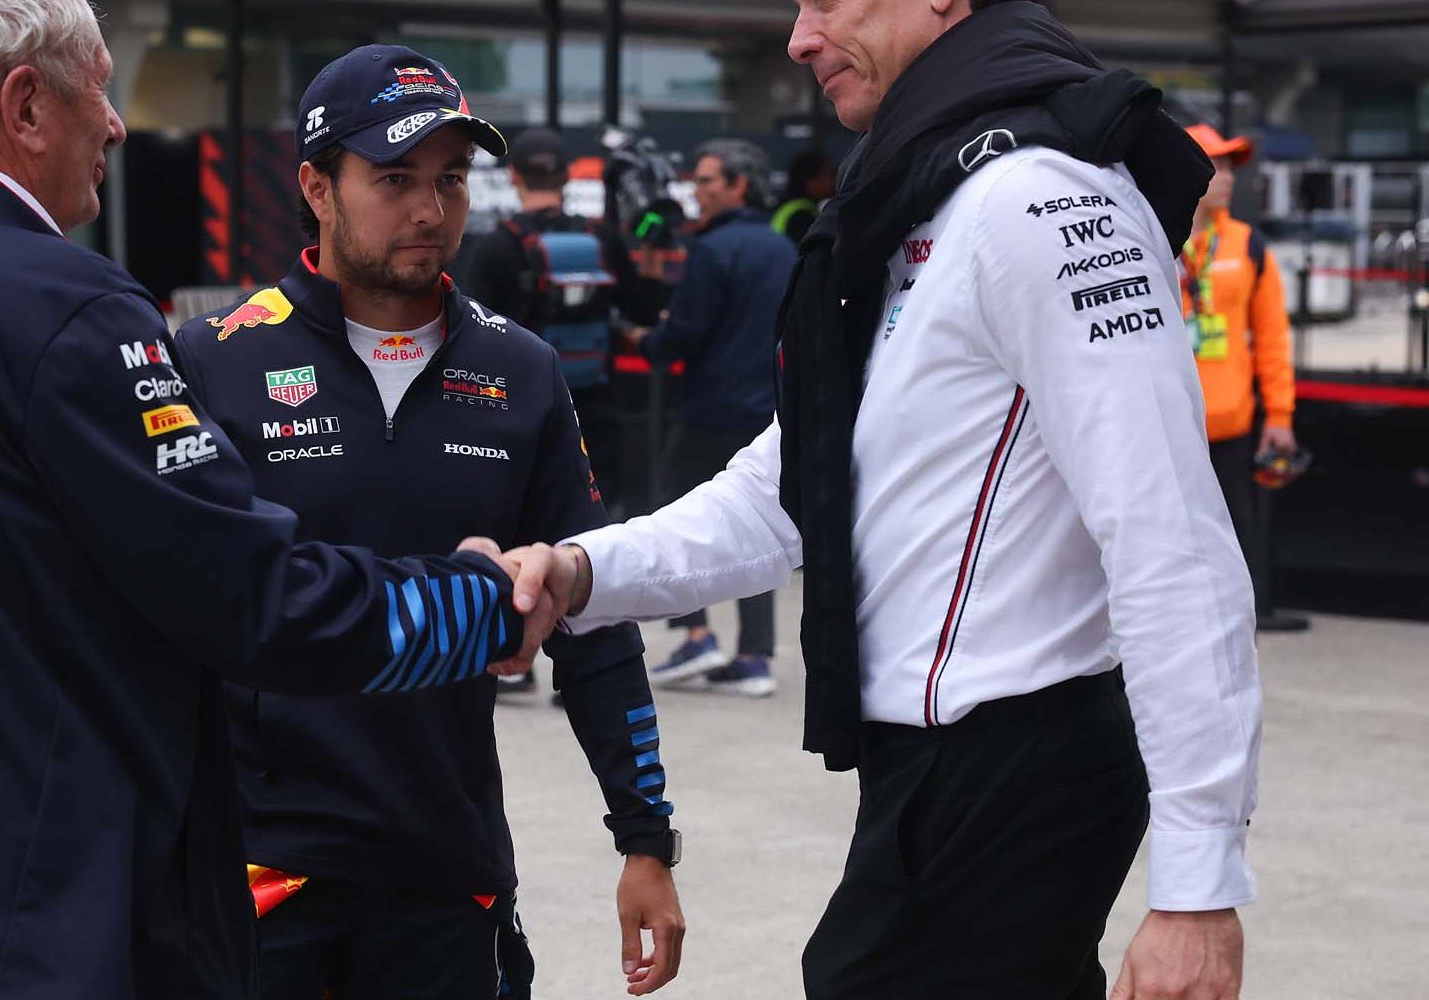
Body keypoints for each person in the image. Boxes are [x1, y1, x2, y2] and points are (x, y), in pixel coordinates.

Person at [0, 4, 557, 998]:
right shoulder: (70, 310)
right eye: (97, 87)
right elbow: (256, 599)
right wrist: (482, 602)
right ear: (27, 106)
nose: (116, 123)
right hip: (33, 933)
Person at [500, 2, 1262, 998]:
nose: (799, 39)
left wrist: (1198, 889)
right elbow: (786, 493)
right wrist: (582, 569)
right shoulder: (920, 201)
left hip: (1019, 763)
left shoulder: (1040, 197)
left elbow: (1172, 539)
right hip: (930, 773)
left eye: (827, 0)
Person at [173, 47, 683, 1000]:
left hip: (446, 870)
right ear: (317, 188)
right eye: (396, 178)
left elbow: (592, 613)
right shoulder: (212, 362)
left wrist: (645, 838)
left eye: (449, 179)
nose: (430, 209)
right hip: (261, 874)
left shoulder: (522, 370)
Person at [621, 139, 794, 697]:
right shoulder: (781, 248)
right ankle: (753, 656)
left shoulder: (713, 249)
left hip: (708, 408)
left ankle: (696, 636)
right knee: (759, 528)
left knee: (678, 514)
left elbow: (684, 334)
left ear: (738, 186)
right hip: (766, 408)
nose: (696, 191)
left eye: (706, 180)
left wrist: (644, 339)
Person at [453, 127, 663, 509]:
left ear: (513, 175)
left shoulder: (497, 246)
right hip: (598, 402)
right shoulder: (603, 238)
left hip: (523, 404)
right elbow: (644, 310)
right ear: (567, 174)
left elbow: (470, 333)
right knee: (597, 518)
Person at [1181, 123, 1309, 633]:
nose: (1228, 178)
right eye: (1217, 165)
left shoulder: (1247, 245)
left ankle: (1244, 618)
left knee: (1237, 529)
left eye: (1232, 166)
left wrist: (1280, 415)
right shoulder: (1149, 237)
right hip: (1168, 426)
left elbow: (1273, 338)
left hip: (1232, 424)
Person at [771, 149, 836, 244]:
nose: (833, 181)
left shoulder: (791, 206)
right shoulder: (801, 216)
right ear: (810, 182)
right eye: (828, 175)